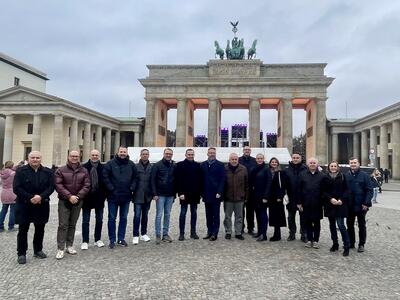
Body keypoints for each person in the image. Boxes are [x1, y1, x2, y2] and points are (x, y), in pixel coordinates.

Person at [13, 151, 55, 264]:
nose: (35, 159)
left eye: (37, 158)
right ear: (28, 158)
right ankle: (21, 253)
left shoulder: (48, 172)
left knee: (40, 228)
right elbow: (16, 188)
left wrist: (40, 197)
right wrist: (31, 197)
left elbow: (51, 187)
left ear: (41, 159)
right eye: (32, 157)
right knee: (23, 229)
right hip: (24, 203)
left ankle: (38, 250)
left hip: (42, 203)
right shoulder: (20, 171)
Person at [55, 150, 90, 259]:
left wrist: (78, 196)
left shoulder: (84, 170)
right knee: (63, 225)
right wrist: (69, 196)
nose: (74, 158)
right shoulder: (61, 170)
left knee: (72, 224)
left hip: (78, 201)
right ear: (68, 156)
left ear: (79, 157)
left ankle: (69, 245)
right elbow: (58, 185)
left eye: (76, 156)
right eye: (72, 156)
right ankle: (60, 248)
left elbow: (87, 185)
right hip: (64, 201)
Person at [103, 146, 138, 248]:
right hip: (113, 196)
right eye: (121, 152)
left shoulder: (131, 164)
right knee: (112, 218)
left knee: (123, 218)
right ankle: (112, 239)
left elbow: (135, 177)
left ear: (127, 153)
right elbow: (105, 177)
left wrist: (132, 187)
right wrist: (111, 188)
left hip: (126, 196)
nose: (122, 153)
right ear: (117, 152)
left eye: (124, 152)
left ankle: (121, 238)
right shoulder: (110, 164)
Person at [323, 161, 351, 256]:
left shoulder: (343, 176)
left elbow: (347, 190)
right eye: (332, 166)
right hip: (330, 204)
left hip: (340, 204)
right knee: (332, 225)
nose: (333, 167)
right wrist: (330, 199)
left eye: (335, 166)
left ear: (338, 167)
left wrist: (341, 199)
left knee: (341, 225)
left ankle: (346, 246)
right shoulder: (325, 177)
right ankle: (335, 243)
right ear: (329, 167)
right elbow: (323, 191)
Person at [345, 157, 373, 253]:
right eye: (351, 163)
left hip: (361, 205)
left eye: (354, 163)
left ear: (358, 164)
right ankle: (351, 242)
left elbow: (369, 190)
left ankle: (361, 244)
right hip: (350, 205)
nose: (353, 164)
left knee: (361, 225)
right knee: (349, 225)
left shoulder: (365, 175)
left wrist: (366, 203)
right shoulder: (346, 175)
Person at [297, 157, 326, 249]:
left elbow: (324, 191)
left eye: (314, 163)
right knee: (308, 222)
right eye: (311, 163)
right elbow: (299, 189)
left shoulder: (322, 175)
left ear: (317, 164)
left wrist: (323, 203)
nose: (312, 164)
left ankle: (316, 240)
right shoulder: (302, 174)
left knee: (317, 223)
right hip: (306, 203)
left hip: (318, 203)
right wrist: (299, 202)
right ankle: (309, 240)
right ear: (308, 165)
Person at [81, 149, 107, 250]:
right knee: (85, 220)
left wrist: (104, 196)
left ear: (99, 156)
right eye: (93, 155)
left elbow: (105, 182)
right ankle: (85, 240)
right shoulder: (84, 167)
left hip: (99, 198)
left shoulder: (103, 167)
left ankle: (97, 239)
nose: (95, 156)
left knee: (99, 220)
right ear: (90, 155)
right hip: (87, 198)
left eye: (96, 155)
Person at [175, 148, 203, 241]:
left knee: (194, 213)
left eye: (192, 154)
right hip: (184, 194)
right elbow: (178, 181)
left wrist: (200, 193)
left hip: (195, 194)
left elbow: (200, 181)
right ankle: (181, 233)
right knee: (183, 213)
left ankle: (193, 232)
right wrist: (180, 193)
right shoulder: (180, 165)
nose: (190, 156)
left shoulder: (198, 166)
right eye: (189, 154)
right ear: (186, 155)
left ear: (194, 155)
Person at [151, 148, 176, 244]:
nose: (168, 155)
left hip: (170, 194)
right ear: (164, 154)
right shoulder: (157, 165)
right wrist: (154, 193)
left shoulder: (174, 165)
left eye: (170, 154)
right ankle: (158, 234)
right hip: (160, 194)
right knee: (159, 215)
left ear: (172, 155)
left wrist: (174, 194)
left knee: (167, 214)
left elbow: (175, 180)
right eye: (167, 153)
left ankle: (165, 234)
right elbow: (153, 180)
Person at [200, 147, 226, 241]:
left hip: (216, 194)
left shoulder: (220, 165)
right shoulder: (203, 165)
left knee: (216, 214)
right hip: (206, 193)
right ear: (207, 154)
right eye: (210, 153)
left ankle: (215, 233)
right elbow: (200, 180)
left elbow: (222, 180)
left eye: (213, 153)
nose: (212, 154)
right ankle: (209, 231)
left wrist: (220, 191)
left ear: (215, 154)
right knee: (208, 214)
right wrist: (201, 192)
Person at [223, 153, 248, 240]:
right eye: (232, 159)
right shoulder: (225, 169)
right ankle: (228, 231)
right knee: (227, 216)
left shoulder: (243, 169)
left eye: (235, 159)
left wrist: (246, 196)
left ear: (238, 160)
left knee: (239, 216)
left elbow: (246, 184)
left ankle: (238, 232)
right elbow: (222, 183)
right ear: (229, 160)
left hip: (239, 197)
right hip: (228, 197)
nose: (234, 161)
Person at [249, 154, 271, 241]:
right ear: (256, 159)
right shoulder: (253, 169)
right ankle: (259, 232)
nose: (259, 160)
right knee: (257, 215)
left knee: (263, 215)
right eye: (258, 158)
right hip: (254, 196)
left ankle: (264, 234)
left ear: (263, 159)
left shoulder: (266, 169)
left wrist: (266, 196)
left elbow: (269, 183)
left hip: (263, 197)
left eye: (261, 158)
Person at [285, 152, 307, 242]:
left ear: (300, 159)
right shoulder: (287, 169)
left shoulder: (305, 169)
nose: (295, 159)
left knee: (303, 217)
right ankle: (292, 233)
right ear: (292, 158)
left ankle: (303, 234)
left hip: (302, 198)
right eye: (294, 157)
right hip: (291, 197)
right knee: (290, 217)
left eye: (297, 158)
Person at [132, 149, 152, 244]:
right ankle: (135, 235)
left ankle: (144, 233)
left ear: (148, 155)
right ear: (140, 155)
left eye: (146, 154)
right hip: (137, 195)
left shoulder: (152, 167)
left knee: (145, 216)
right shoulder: (135, 167)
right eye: (143, 154)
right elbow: (132, 180)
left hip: (147, 195)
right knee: (137, 215)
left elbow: (153, 181)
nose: (145, 156)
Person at [268, 157, 288, 241]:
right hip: (270, 198)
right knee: (272, 215)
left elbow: (283, 186)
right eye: (272, 162)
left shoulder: (281, 173)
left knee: (278, 216)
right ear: (270, 163)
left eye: (275, 162)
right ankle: (276, 233)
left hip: (277, 198)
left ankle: (277, 234)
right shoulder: (268, 172)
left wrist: (280, 196)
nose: (274, 163)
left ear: (278, 163)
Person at [239, 146, 257, 235]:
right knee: (240, 210)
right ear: (243, 151)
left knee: (250, 211)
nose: (247, 151)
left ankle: (251, 228)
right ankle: (241, 228)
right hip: (241, 189)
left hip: (251, 190)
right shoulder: (238, 160)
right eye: (245, 150)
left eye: (248, 150)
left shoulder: (254, 161)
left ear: (250, 151)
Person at [0, 161, 17, 232]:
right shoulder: (13, 173)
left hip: (4, 192)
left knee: (3, 210)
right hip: (12, 192)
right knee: (13, 211)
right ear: (12, 165)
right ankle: (11, 226)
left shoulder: (1, 173)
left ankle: (0, 226)